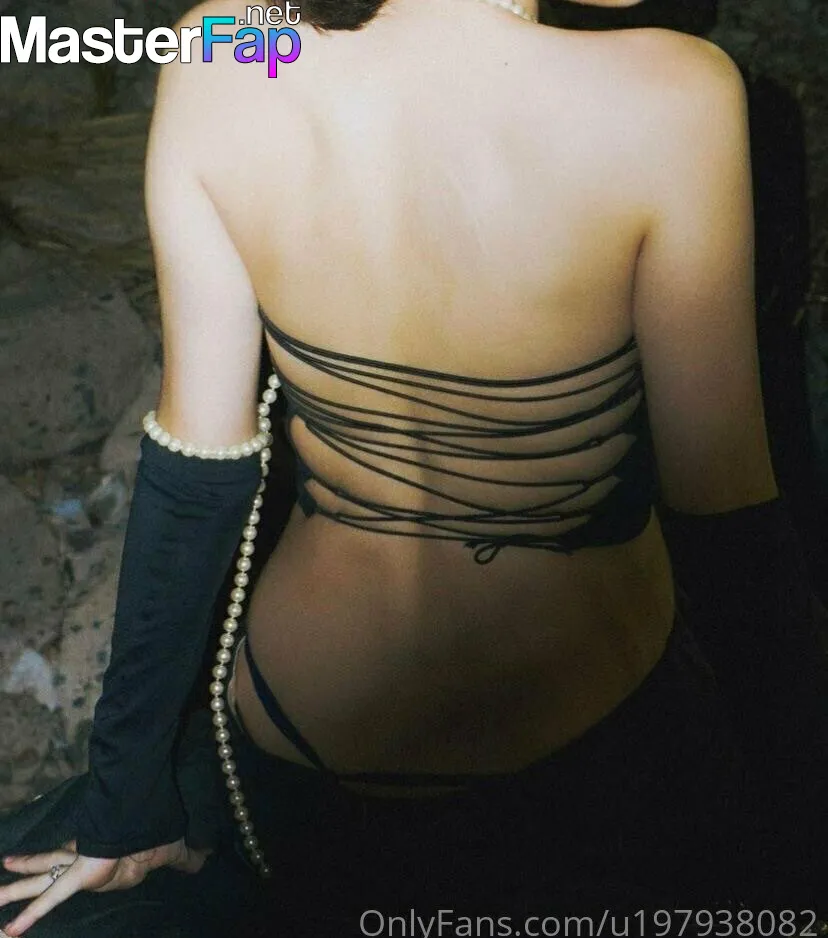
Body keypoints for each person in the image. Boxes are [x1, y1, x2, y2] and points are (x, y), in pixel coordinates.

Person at [1, 0, 825, 934]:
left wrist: (124, 806)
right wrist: (801, 832)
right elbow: (731, 528)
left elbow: (193, 479)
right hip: (574, 752)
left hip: (297, 741)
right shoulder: (675, 97)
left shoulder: (223, 49)